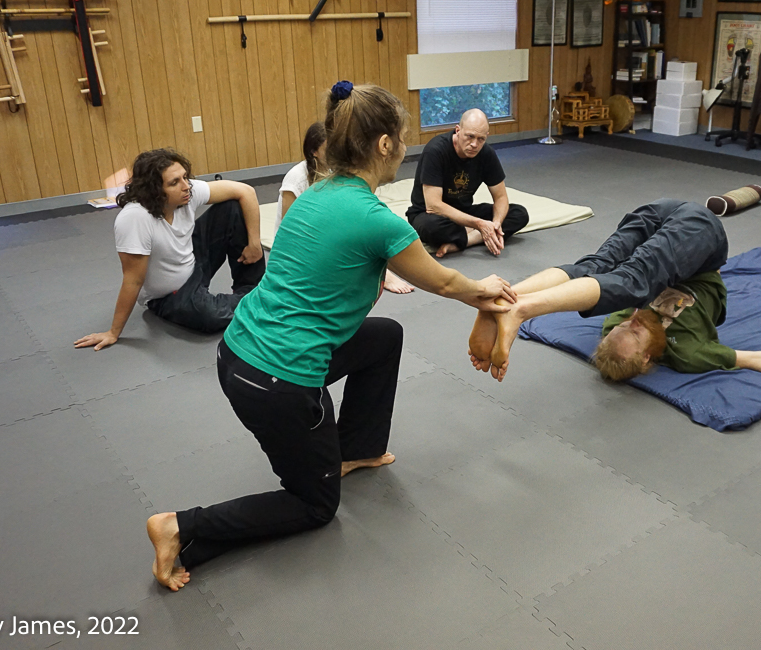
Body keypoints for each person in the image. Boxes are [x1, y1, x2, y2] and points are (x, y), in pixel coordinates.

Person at [144, 81, 517, 591]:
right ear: (384, 144)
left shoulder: (315, 193)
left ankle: (356, 449)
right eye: (401, 138)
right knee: (315, 507)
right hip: (277, 382)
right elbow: (448, 283)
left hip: (237, 353)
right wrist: (486, 290)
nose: (404, 147)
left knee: (382, 337)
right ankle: (181, 526)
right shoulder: (377, 220)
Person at [468, 196, 761, 385]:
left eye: (620, 327)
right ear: (648, 357)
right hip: (701, 237)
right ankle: (513, 305)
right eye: (633, 331)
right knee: (622, 279)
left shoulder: (617, 327)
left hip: (658, 214)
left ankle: (508, 300)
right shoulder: (688, 353)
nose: (631, 320)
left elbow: (596, 293)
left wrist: (623, 326)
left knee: (601, 273)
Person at [75, 149, 264, 351]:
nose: (186, 186)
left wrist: (254, 242)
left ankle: (254, 290)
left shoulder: (187, 192)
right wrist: (113, 332)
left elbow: (246, 191)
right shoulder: (135, 219)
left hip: (194, 261)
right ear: (155, 190)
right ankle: (260, 302)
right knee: (209, 317)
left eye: (185, 177)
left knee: (232, 206)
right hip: (168, 296)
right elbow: (133, 279)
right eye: (174, 183)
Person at [278, 122, 413, 294]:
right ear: (314, 152)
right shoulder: (296, 178)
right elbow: (289, 228)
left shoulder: (336, 173)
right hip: (300, 245)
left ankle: (382, 270)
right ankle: (383, 272)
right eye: (328, 149)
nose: (333, 153)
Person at [406, 108, 529, 258]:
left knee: (519, 213)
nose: (474, 144)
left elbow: (501, 197)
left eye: (481, 139)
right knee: (431, 228)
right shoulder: (436, 151)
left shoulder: (486, 154)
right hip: (429, 214)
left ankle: (466, 241)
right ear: (458, 130)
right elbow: (433, 206)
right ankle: (475, 234)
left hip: (464, 212)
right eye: (470, 136)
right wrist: (479, 224)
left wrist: (496, 225)